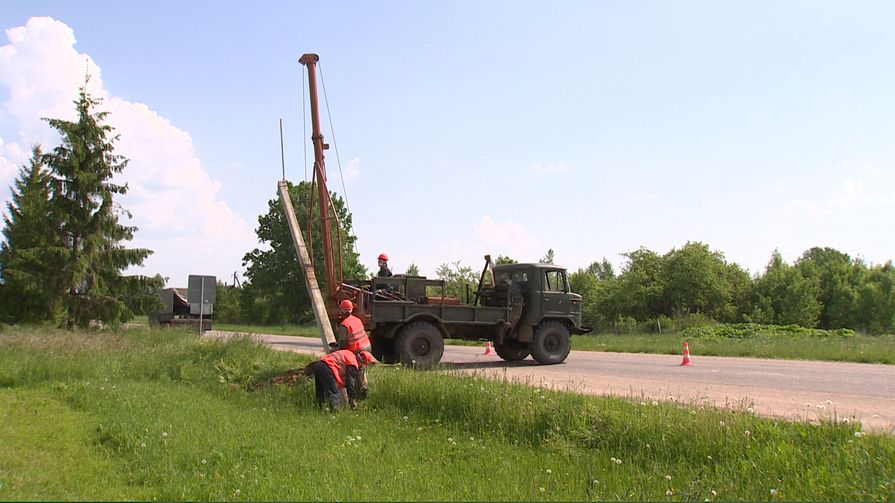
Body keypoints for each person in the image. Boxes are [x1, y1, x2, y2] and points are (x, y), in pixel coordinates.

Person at [307, 348, 375, 411]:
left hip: (319, 365)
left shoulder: (349, 354)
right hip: (328, 367)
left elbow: (342, 376)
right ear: (363, 362)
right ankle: (335, 413)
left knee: (320, 391)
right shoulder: (353, 363)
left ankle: (318, 410)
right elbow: (350, 383)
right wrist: (352, 400)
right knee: (334, 393)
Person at [336, 299, 371, 398]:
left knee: (358, 371)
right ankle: (362, 389)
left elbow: (342, 344)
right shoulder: (357, 319)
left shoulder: (344, 325)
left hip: (358, 350)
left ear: (341, 310)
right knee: (362, 370)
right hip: (367, 347)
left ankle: (361, 392)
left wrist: (339, 354)